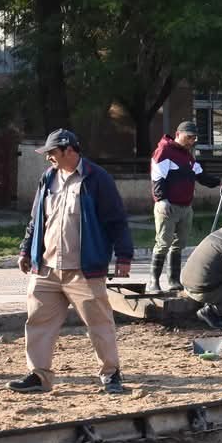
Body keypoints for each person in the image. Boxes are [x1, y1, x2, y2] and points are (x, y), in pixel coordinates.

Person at [12, 129, 134, 395]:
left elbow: (116, 220)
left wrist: (124, 255)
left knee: (99, 324)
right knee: (38, 323)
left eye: (52, 153)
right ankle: (39, 376)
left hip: (84, 270)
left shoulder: (97, 178)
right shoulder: (47, 178)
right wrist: (26, 250)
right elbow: (36, 220)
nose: (48, 158)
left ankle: (111, 374)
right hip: (47, 268)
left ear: (69, 150)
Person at [148, 120, 222, 292]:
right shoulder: (164, 151)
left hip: (185, 207)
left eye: (194, 138)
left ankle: (173, 281)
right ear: (178, 134)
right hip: (168, 206)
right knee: (163, 243)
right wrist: (161, 200)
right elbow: (157, 177)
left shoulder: (188, 156)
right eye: (189, 137)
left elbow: (201, 176)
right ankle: (153, 282)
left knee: (179, 244)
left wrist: (219, 182)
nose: (192, 141)